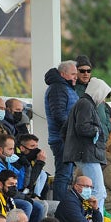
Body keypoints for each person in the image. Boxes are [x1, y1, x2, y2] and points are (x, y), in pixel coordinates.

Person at [63, 76, 110, 213]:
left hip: (85, 153)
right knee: (98, 190)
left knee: (98, 190)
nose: (103, 100)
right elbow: (82, 127)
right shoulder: (85, 104)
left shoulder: (82, 103)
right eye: (103, 96)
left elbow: (65, 130)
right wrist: (97, 130)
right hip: (87, 154)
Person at [43, 60, 78, 201]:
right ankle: (60, 207)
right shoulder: (58, 88)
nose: (76, 76)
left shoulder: (65, 87)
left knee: (67, 174)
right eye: (73, 74)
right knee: (63, 175)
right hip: (62, 139)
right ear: (63, 74)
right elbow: (59, 115)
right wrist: (76, 129)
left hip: (68, 139)